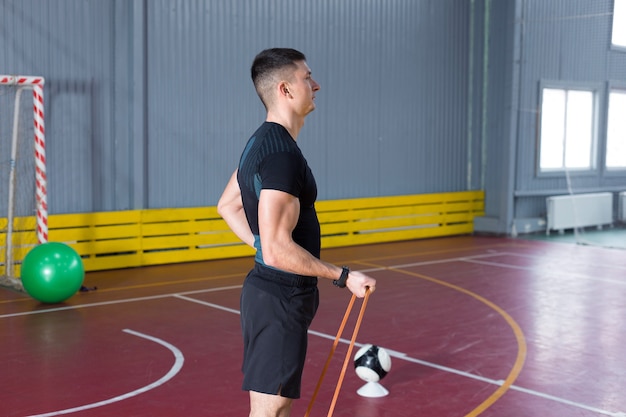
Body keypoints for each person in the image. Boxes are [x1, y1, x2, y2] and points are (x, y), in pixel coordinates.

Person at [217, 48, 377, 417]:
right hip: (279, 298)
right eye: (307, 77)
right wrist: (344, 276)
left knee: (277, 407)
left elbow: (228, 205)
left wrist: (264, 245)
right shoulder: (282, 157)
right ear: (286, 89)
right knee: (270, 410)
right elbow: (275, 250)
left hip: (273, 295)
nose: (316, 84)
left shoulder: (261, 143)